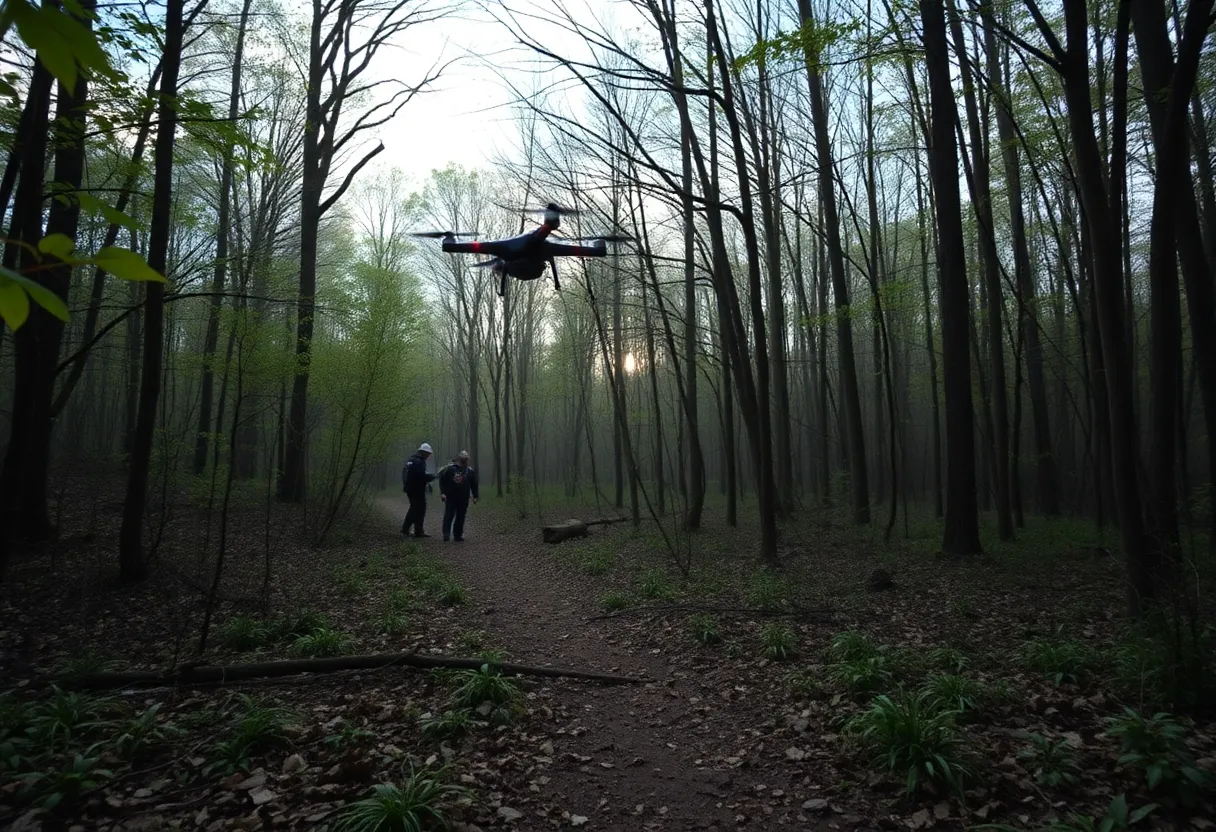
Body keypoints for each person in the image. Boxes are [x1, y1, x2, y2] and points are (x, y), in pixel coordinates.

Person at [438, 449, 479, 542]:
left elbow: (474, 484)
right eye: (462, 458)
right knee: (449, 515)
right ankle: (446, 534)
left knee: (461, 516)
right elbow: (442, 481)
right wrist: (443, 493)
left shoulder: (469, 471)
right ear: (459, 458)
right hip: (451, 496)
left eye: (466, 459)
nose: (464, 460)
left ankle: (457, 535)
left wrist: (475, 496)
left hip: (463, 498)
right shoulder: (450, 469)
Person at [401, 442, 436, 537]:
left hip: (410, 489)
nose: (428, 456)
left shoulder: (411, 460)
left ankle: (418, 531)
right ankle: (406, 529)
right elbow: (422, 476)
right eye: (428, 454)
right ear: (423, 452)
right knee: (416, 510)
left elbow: (407, 474)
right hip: (416, 490)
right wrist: (433, 476)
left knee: (418, 509)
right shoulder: (419, 462)